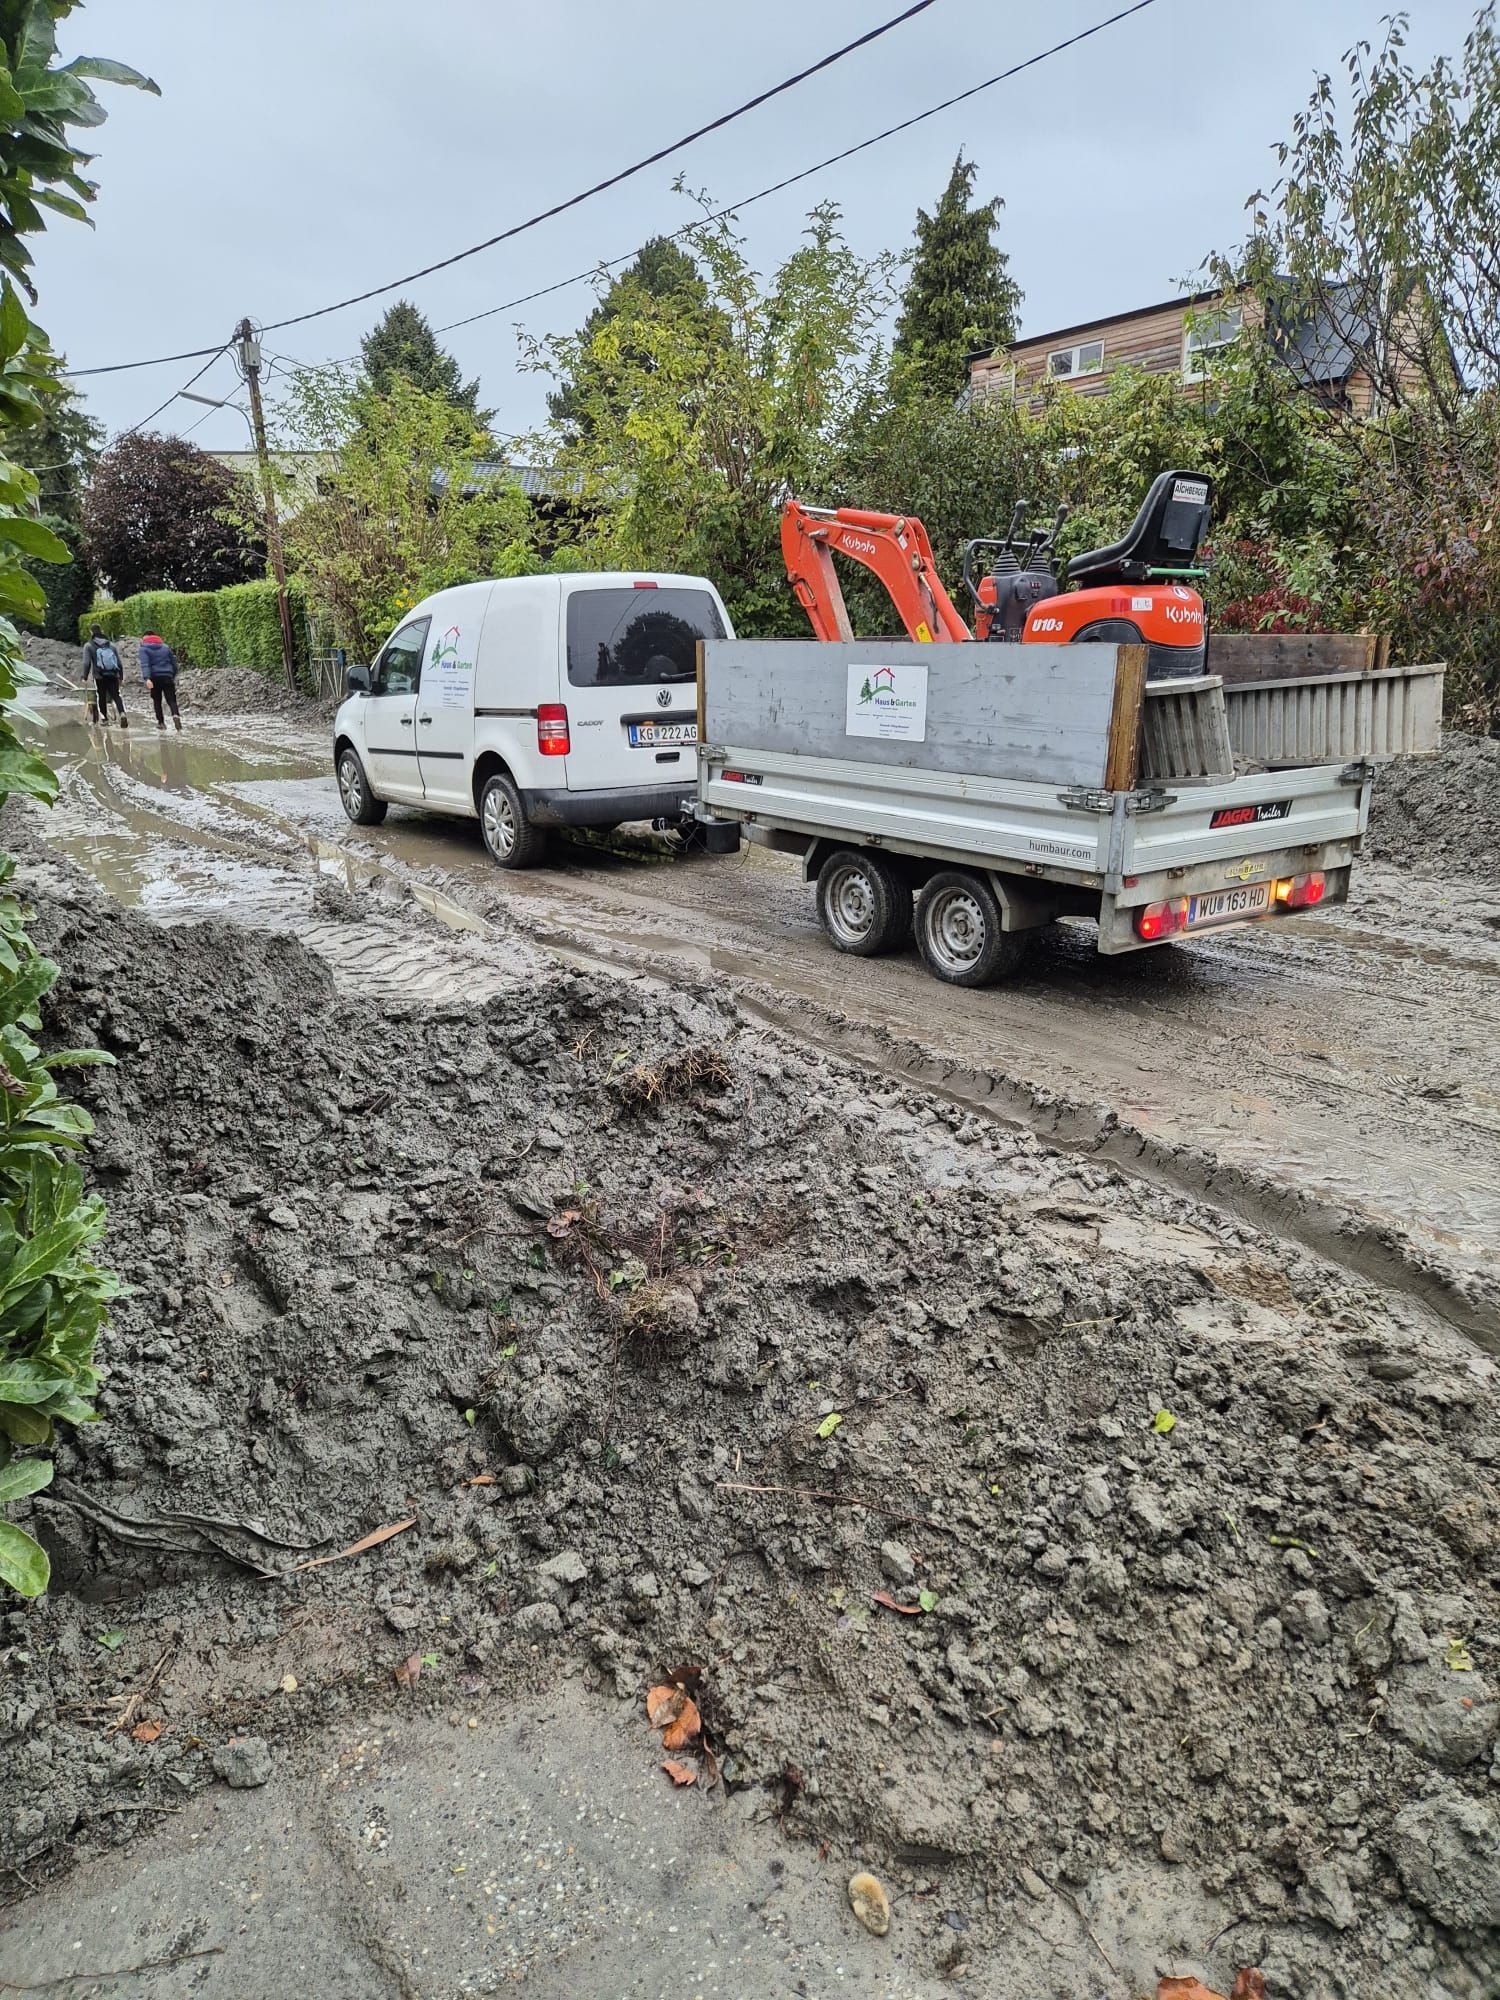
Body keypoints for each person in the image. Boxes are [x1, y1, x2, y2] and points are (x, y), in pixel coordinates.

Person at [80, 624, 128, 727]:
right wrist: (121, 677)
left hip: (99, 676)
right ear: (101, 631)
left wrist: (84, 676)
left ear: (91, 632)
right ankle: (122, 713)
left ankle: (105, 719)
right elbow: (119, 663)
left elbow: (86, 663)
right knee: (116, 695)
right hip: (113, 674)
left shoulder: (89, 645)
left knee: (101, 696)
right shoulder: (111, 645)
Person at [137, 632, 182, 731]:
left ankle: (161, 723)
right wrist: (172, 675)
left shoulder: (143, 649)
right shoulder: (165, 647)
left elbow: (145, 664)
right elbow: (174, 664)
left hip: (154, 678)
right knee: (171, 699)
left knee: (157, 700)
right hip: (167, 676)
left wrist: (147, 678)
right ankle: (175, 715)